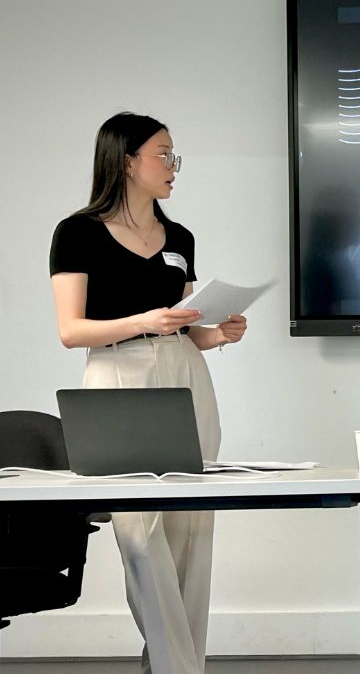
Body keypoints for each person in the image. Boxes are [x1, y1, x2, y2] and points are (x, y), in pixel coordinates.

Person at [49, 112, 247, 674]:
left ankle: (174, 664)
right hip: (118, 377)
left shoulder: (180, 237)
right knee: (140, 531)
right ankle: (177, 667)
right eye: (164, 154)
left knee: (192, 527)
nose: (173, 166)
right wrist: (143, 320)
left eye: (173, 154)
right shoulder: (78, 233)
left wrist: (217, 334)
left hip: (185, 376)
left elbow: (187, 327)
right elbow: (71, 330)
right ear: (126, 160)